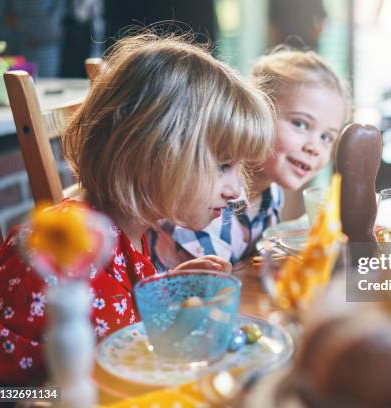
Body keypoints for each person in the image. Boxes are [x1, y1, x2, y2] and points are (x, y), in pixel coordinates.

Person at [0, 33, 274, 386]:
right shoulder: (63, 255)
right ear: (154, 154)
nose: (236, 191)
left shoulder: (125, 233)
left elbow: (117, 327)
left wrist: (166, 293)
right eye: (223, 166)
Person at [150, 46, 350, 269]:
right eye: (300, 124)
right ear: (258, 111)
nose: (314, 147)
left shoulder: (271, 195)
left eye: (327, 137)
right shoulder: (207, 198)